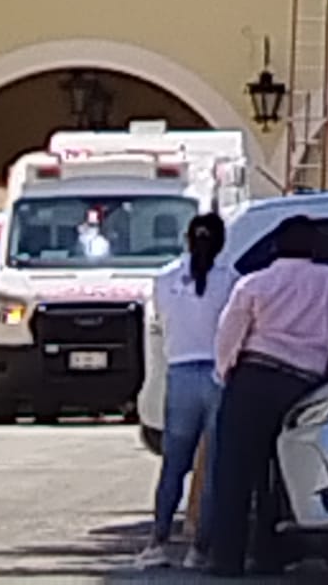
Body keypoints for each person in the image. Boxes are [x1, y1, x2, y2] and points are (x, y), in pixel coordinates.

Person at [209, 216, 328, 576]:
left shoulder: (255, 283)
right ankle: (271, 553)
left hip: (253, 375)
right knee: (282, 472)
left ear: (276, 246)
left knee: (235, 472)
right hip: (303, 384)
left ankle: (227, 557)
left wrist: (226, 373)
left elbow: (229, 335)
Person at [138, 214, 236, 572]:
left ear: (186, 238)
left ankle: (158, 540)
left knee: (174, 464)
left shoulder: (164, 280)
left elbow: (162, 323)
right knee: (210, 469)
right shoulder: (231, 281)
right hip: (218, 374)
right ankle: (200, 548)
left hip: (180, 372)